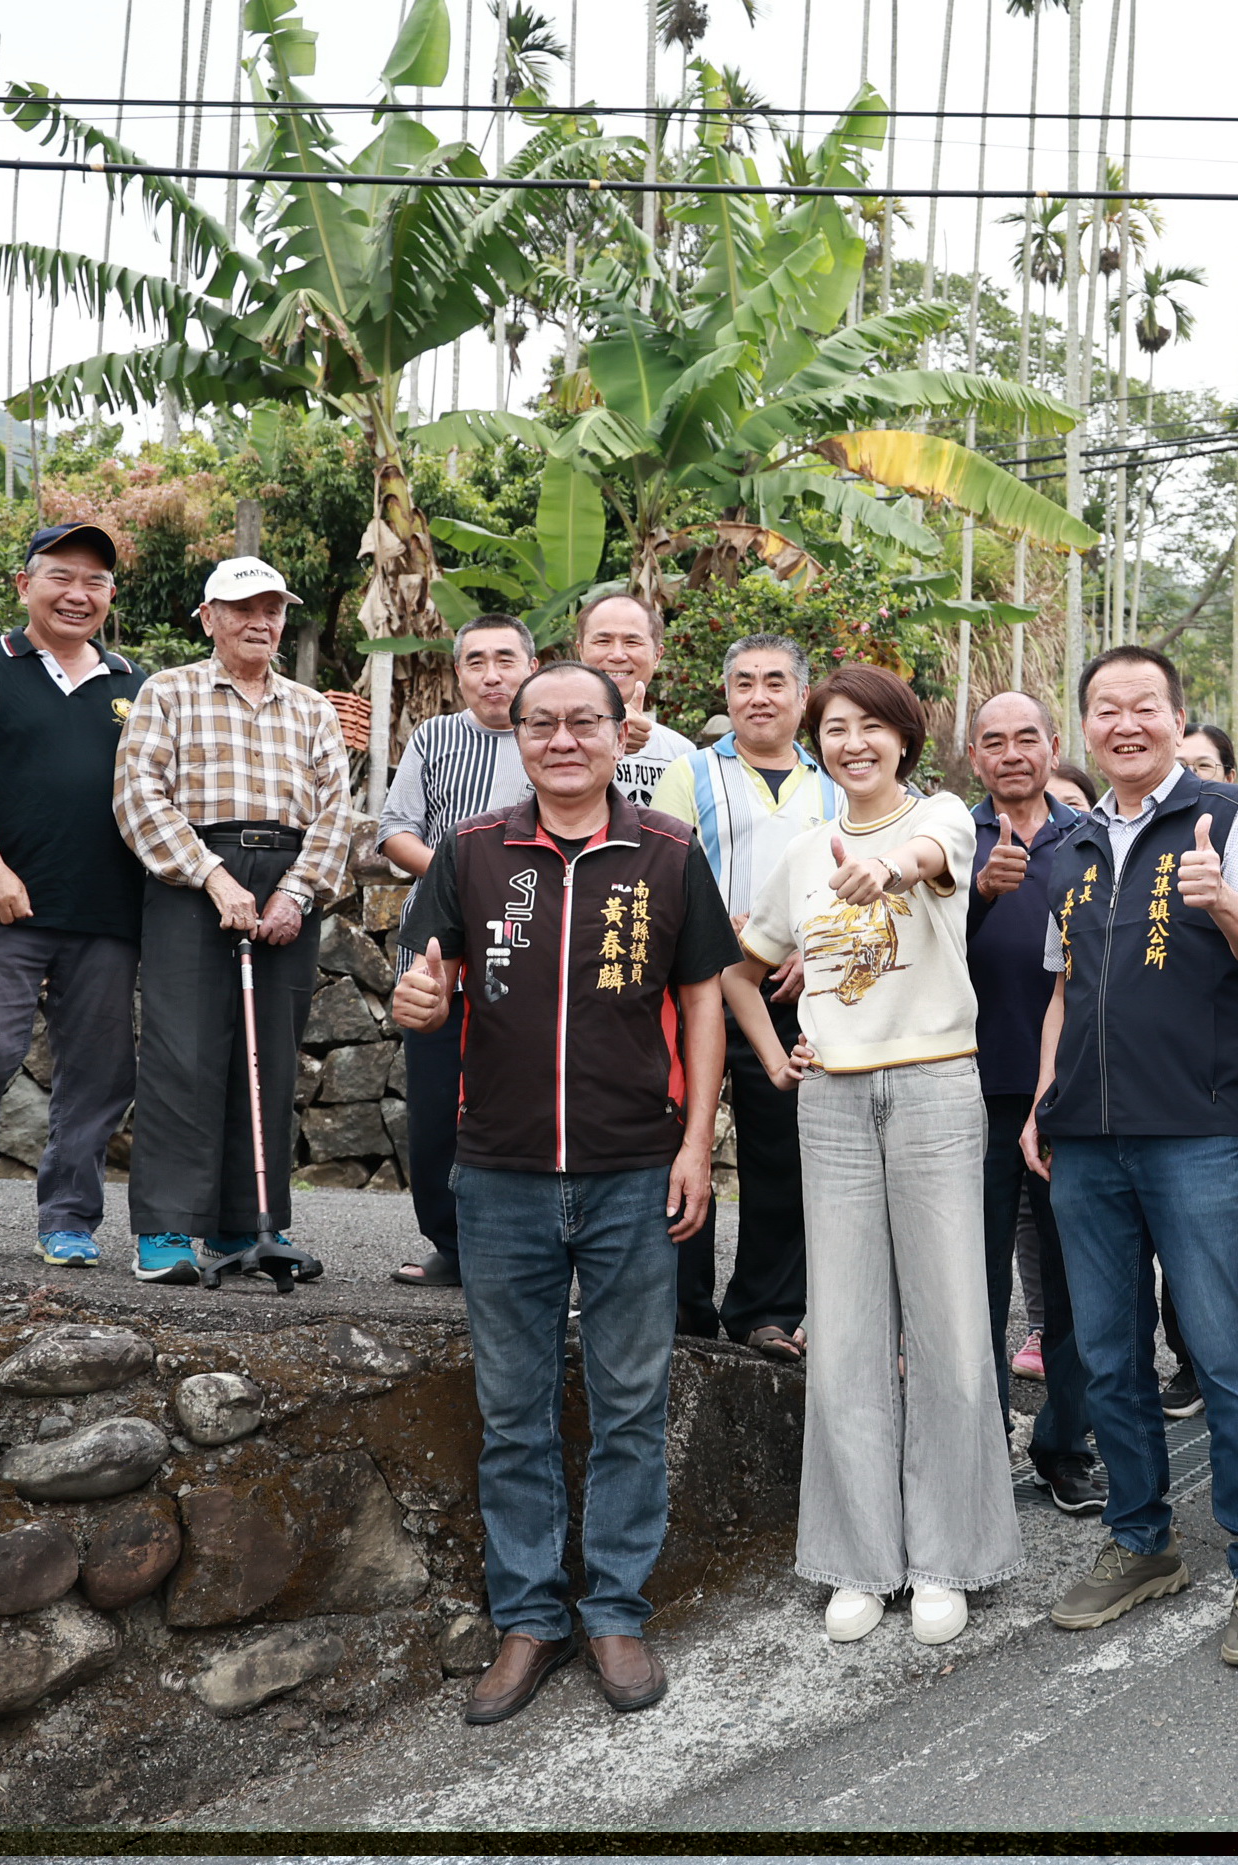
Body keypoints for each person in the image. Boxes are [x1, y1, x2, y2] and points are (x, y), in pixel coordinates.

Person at [389, 659, 732, 1725]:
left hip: (635, 1168)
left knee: (632, 1399)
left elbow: (704, 1003)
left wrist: (696, 1146)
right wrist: (412, 1000)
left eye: (586, 720)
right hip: (500, 1173)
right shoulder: (472, 852)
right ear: (516, 735)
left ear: (622, 734)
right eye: (542, 723)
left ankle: (616, 1608)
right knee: (513, 1408)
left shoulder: (669, 852)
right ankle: (529, 1615)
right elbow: (425, 989)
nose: (563, 739)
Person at [724, 664, 1022, 1646]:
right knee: (844, 1330)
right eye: (835, 729)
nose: (853, 743)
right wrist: (781, 1053)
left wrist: (887, 867)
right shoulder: (801, 847)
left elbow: (932, 855)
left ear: (903, 737)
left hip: (937, 1089)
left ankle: (947, 1558)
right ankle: (858, 1560)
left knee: (948, 1325)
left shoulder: (941, 814)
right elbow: (741, 960)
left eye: (871, 727)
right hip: (835, 1104)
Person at [1029, 644, 1238, 1668]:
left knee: (1225, 1353)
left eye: (1145, 705)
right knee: (1106, 1351)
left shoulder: (1233, 817)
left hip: (1195, 1130)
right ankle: (1140, 1538)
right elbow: (1065, 988)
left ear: (1178, 718)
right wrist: (1043, 1101)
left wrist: (1217, 896)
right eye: (1106, 707)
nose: (1125, 722)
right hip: (1086, 1140)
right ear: (1087, 726)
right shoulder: (1071, 841)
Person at [0, 523, 146, 1267]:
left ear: (109, 595)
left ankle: (69, 1218)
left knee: (98, 1076)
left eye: (96, 582)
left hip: (110, 912)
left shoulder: (137, 684)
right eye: (61, 576)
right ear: (24, 585)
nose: (78, 594)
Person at [111, 557, 350, 1287]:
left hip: (287, 878)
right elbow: (139, 796)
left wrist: (297, 893)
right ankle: (165, 1231)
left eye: (273, 608)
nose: (262, 621)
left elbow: (337, 810)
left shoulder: (311, 706)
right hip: (193, 874)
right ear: (208, 616)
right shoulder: (168, 691)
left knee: (270, 1055)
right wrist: (212, 876)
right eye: (244, 606)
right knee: (182, 1055)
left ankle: (247, 1227)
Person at [652, 634, 839, 1356]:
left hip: (793, 991)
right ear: (724, 694)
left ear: (801, 696)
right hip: (696, 985)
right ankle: (678, 1303)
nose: (757, 696)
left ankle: (765, 1308)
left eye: (773, 682)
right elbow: (666, 865)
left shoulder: (833, 785)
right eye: (742, 683)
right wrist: (724, 928)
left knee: (784, 1153)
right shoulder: (688, 772)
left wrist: (800, 947)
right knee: (674, 1140)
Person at [966, 690, 1104, 1514]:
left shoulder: (1088, 839)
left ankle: (1064, 1444)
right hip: (967, 1088)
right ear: (973, 755)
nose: (1012, 752)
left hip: (1067, 1090)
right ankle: (976, 1449)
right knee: (969, 1281)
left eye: (1027, 737)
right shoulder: (948, 837)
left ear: (1054, 746)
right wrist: (978, 892)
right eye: (994, 740)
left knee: (1071, 1279)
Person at [375, 616, 539, 1290]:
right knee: (439, 1098)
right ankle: (450, 1242)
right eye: (475, 661)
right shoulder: (435, 736)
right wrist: (463, 874)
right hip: (440, 938)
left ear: (532, 664)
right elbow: (394, 830)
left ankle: (526, 1248)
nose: (491, 673)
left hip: (534, 940)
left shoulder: (553, 734)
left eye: (505, 658)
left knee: (524, 1096)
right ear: (458, 672)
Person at [578, 594, 697, 807]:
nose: (617, 655)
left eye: (632, 642)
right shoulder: (540, 737)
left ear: (657, 656)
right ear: (580, 651)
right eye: (603, 641)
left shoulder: (682, 754)